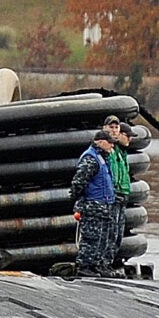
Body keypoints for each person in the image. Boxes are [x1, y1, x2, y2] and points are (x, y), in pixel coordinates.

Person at [69, 116, 130, 277]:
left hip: (103, 204)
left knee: (103, 238)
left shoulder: (103, 157)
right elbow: (79, 182)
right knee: (91, 238)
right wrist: (81, 200)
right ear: (99, 141)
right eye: (108, 142)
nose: (111, 145)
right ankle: (85, 266)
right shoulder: (91, 158)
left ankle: (98, 265)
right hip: (93, 204)